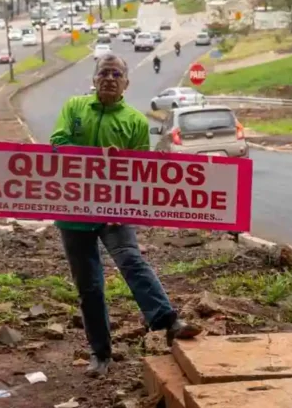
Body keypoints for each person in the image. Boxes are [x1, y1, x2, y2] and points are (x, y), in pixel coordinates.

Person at [49, 53, 202, 378]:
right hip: (73, 210)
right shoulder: (74, 108)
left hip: (115, 210)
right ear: (94, 79)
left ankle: (167, 320)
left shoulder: (134, 121)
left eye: (116, 74)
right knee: (89, 285)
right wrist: (96, 156)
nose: (109, 78)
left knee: (131, 259)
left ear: (126, 84)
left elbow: (140, 172)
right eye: (103, 73)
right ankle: (101, 355)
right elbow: (57, 144)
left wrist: (127, 205)